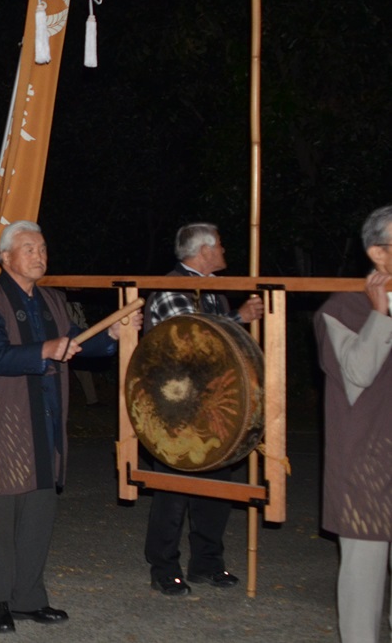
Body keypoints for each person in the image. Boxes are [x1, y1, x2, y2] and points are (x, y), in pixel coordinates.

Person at [0, 220, 138, 633]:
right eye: (29, 248)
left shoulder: (52, 301)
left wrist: (113, 335)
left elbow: (78, 341)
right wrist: (43, 349)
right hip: (6, 426)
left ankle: (28, 598)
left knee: (38, 515)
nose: (39, 255)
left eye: (43, 248)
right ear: (6, 257)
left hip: (44, 422)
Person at [142, 222, 263, 597]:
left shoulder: (213, 292)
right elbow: (191, 343)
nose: (225, 250)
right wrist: (239, 318)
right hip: (174, 413)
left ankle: (206, 563)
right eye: (221, 244)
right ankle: (164, 567)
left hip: (212, 410)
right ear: (204, 250)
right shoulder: (171, 287)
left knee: (217, 489)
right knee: (174, 492)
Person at [315, 205, 392, 643]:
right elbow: (356, 373)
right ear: (378, 254)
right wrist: (380, 314)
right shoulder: (340, 307)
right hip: (366, 465)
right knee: (363, 584)